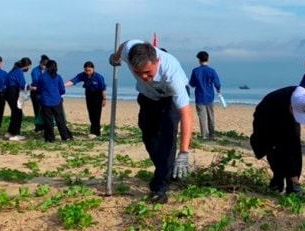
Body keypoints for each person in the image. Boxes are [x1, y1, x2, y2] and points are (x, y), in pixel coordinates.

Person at [110, 41, 193, 204]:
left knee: (167, 140)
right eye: (138, 73)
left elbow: (186, 115)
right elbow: (125, 44)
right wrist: (116, 57)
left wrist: (183, 153)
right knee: (149, 136)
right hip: (148, 98)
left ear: (157, 61)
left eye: (148, 72)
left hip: (169, 99)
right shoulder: (130, 51)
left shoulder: (172, 75)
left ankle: (159, 188)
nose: (144, 77)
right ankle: (168, 171)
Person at [250, 85, 305, 196]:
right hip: (266, 119)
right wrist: (295, 181)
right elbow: (285, 150)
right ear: (291, 108)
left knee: (295, 148)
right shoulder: (278, 113)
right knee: (275, 151)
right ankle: (278, 183)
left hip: (286, 112)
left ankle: (292, 189)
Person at [66, 61, 107, 138]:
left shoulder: (99, 77)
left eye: (89, 70)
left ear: (93, 69)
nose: (88, 72)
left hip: (98, 95)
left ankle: (95, 131)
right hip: (89, 94)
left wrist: (104, 99)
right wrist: (63, 85)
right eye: (86, 70)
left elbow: (103, 89)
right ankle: (94, 128)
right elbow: (73, 81)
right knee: (91, 113)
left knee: (96, 114)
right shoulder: (83, 75)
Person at [189, 51, 222, 141]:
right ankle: (212, 134)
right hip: (210, 96)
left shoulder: (195, 71)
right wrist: (218, 89)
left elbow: (192, 84)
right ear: (208, 59)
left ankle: (204, 135)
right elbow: (217, 83)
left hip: (199, 96)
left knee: (202, 117)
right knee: (211, 116)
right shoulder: (211, 71)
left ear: (199, 60)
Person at [37, 60, 73, 143]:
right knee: (60, 120)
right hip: (56, 101)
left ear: (46, 67)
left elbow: (39, 89)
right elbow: (62, 90)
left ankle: (50, 138)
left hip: (46, 101)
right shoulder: (58, 77)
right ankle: (65, 136)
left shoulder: (42, 77)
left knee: (48, 121)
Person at [4, 57, 32, 141]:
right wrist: (32, 87)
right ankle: (15, 134)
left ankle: (9, 132)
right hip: (13, 92)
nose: (29, 69)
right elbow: (23, 84)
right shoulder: (18, 72)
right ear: (26, 66)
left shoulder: (13, 71)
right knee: (17, 113)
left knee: (14, 112)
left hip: (8, 92)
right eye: (29, 67)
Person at [30, 55, 49, 133]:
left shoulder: (48, 70)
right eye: (43, 64)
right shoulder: (35, 70)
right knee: (37, 110)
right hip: (36, 92)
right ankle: (38, 127)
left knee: (46, 110)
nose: (44, 66)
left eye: (46, 65)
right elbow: (36, 80)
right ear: (41, 63)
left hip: (45, 92)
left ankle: (45, 126)